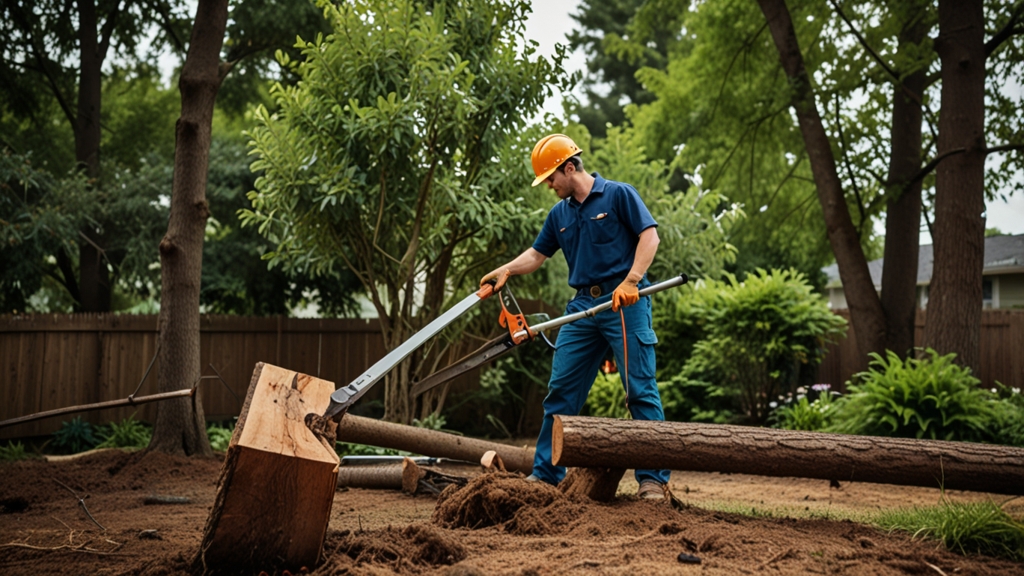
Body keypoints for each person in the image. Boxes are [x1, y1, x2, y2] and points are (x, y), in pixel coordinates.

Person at [480, 134, 670, 500]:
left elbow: (650, 238)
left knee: (639, 389)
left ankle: (652, 479)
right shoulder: (560, 214)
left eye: (550, 178)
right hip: (582, 307)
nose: (549, 186)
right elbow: (537, 255)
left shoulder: (618, 195)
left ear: (569, 168)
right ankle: (546, 475)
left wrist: (632, 280)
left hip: (624, 301)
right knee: (561, 391)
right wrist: (506, 270)